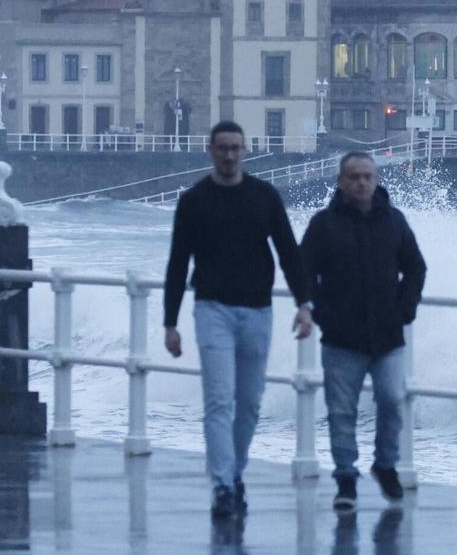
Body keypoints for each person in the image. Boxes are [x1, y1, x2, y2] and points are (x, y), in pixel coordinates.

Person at [163, 120, 312, 519]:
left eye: (235, 148)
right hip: (212, 309)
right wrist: (170, 323)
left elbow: (288, 252)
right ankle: (223, 485)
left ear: (244, 150)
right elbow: (178, 262)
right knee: (218, 402)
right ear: (210, 150)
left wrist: (304, 304)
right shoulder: (194, 200)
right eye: (222, 148)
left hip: (258, 311)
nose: (229, 155)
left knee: (248, 404)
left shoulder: (264, 196)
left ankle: (235, 472)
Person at [300, 152, 426, 510]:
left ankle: (385, 464)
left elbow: (415, 267)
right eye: (353, 176)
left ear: (376, 180)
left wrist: (406, 307)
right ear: (341, 181)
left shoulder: (394, 222)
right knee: (342, 412)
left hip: (387, 335)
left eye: (367, 176)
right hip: (341, 337)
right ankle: (346, 480)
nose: (361, 183)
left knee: (392, 401)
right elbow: (303, 269)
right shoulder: (324, 224)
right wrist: (316, 308)